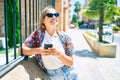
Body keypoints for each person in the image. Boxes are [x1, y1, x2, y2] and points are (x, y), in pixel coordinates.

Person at [19, 5, 79, 80]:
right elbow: (21, 49)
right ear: (43, 20)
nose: (54, 17)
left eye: (56, 15)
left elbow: (71, 62)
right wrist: (39, 50)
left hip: (71, 74)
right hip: (53, 76)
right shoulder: (38, 34)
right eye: (50, 15)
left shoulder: (65, 37)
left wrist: (58, 53)